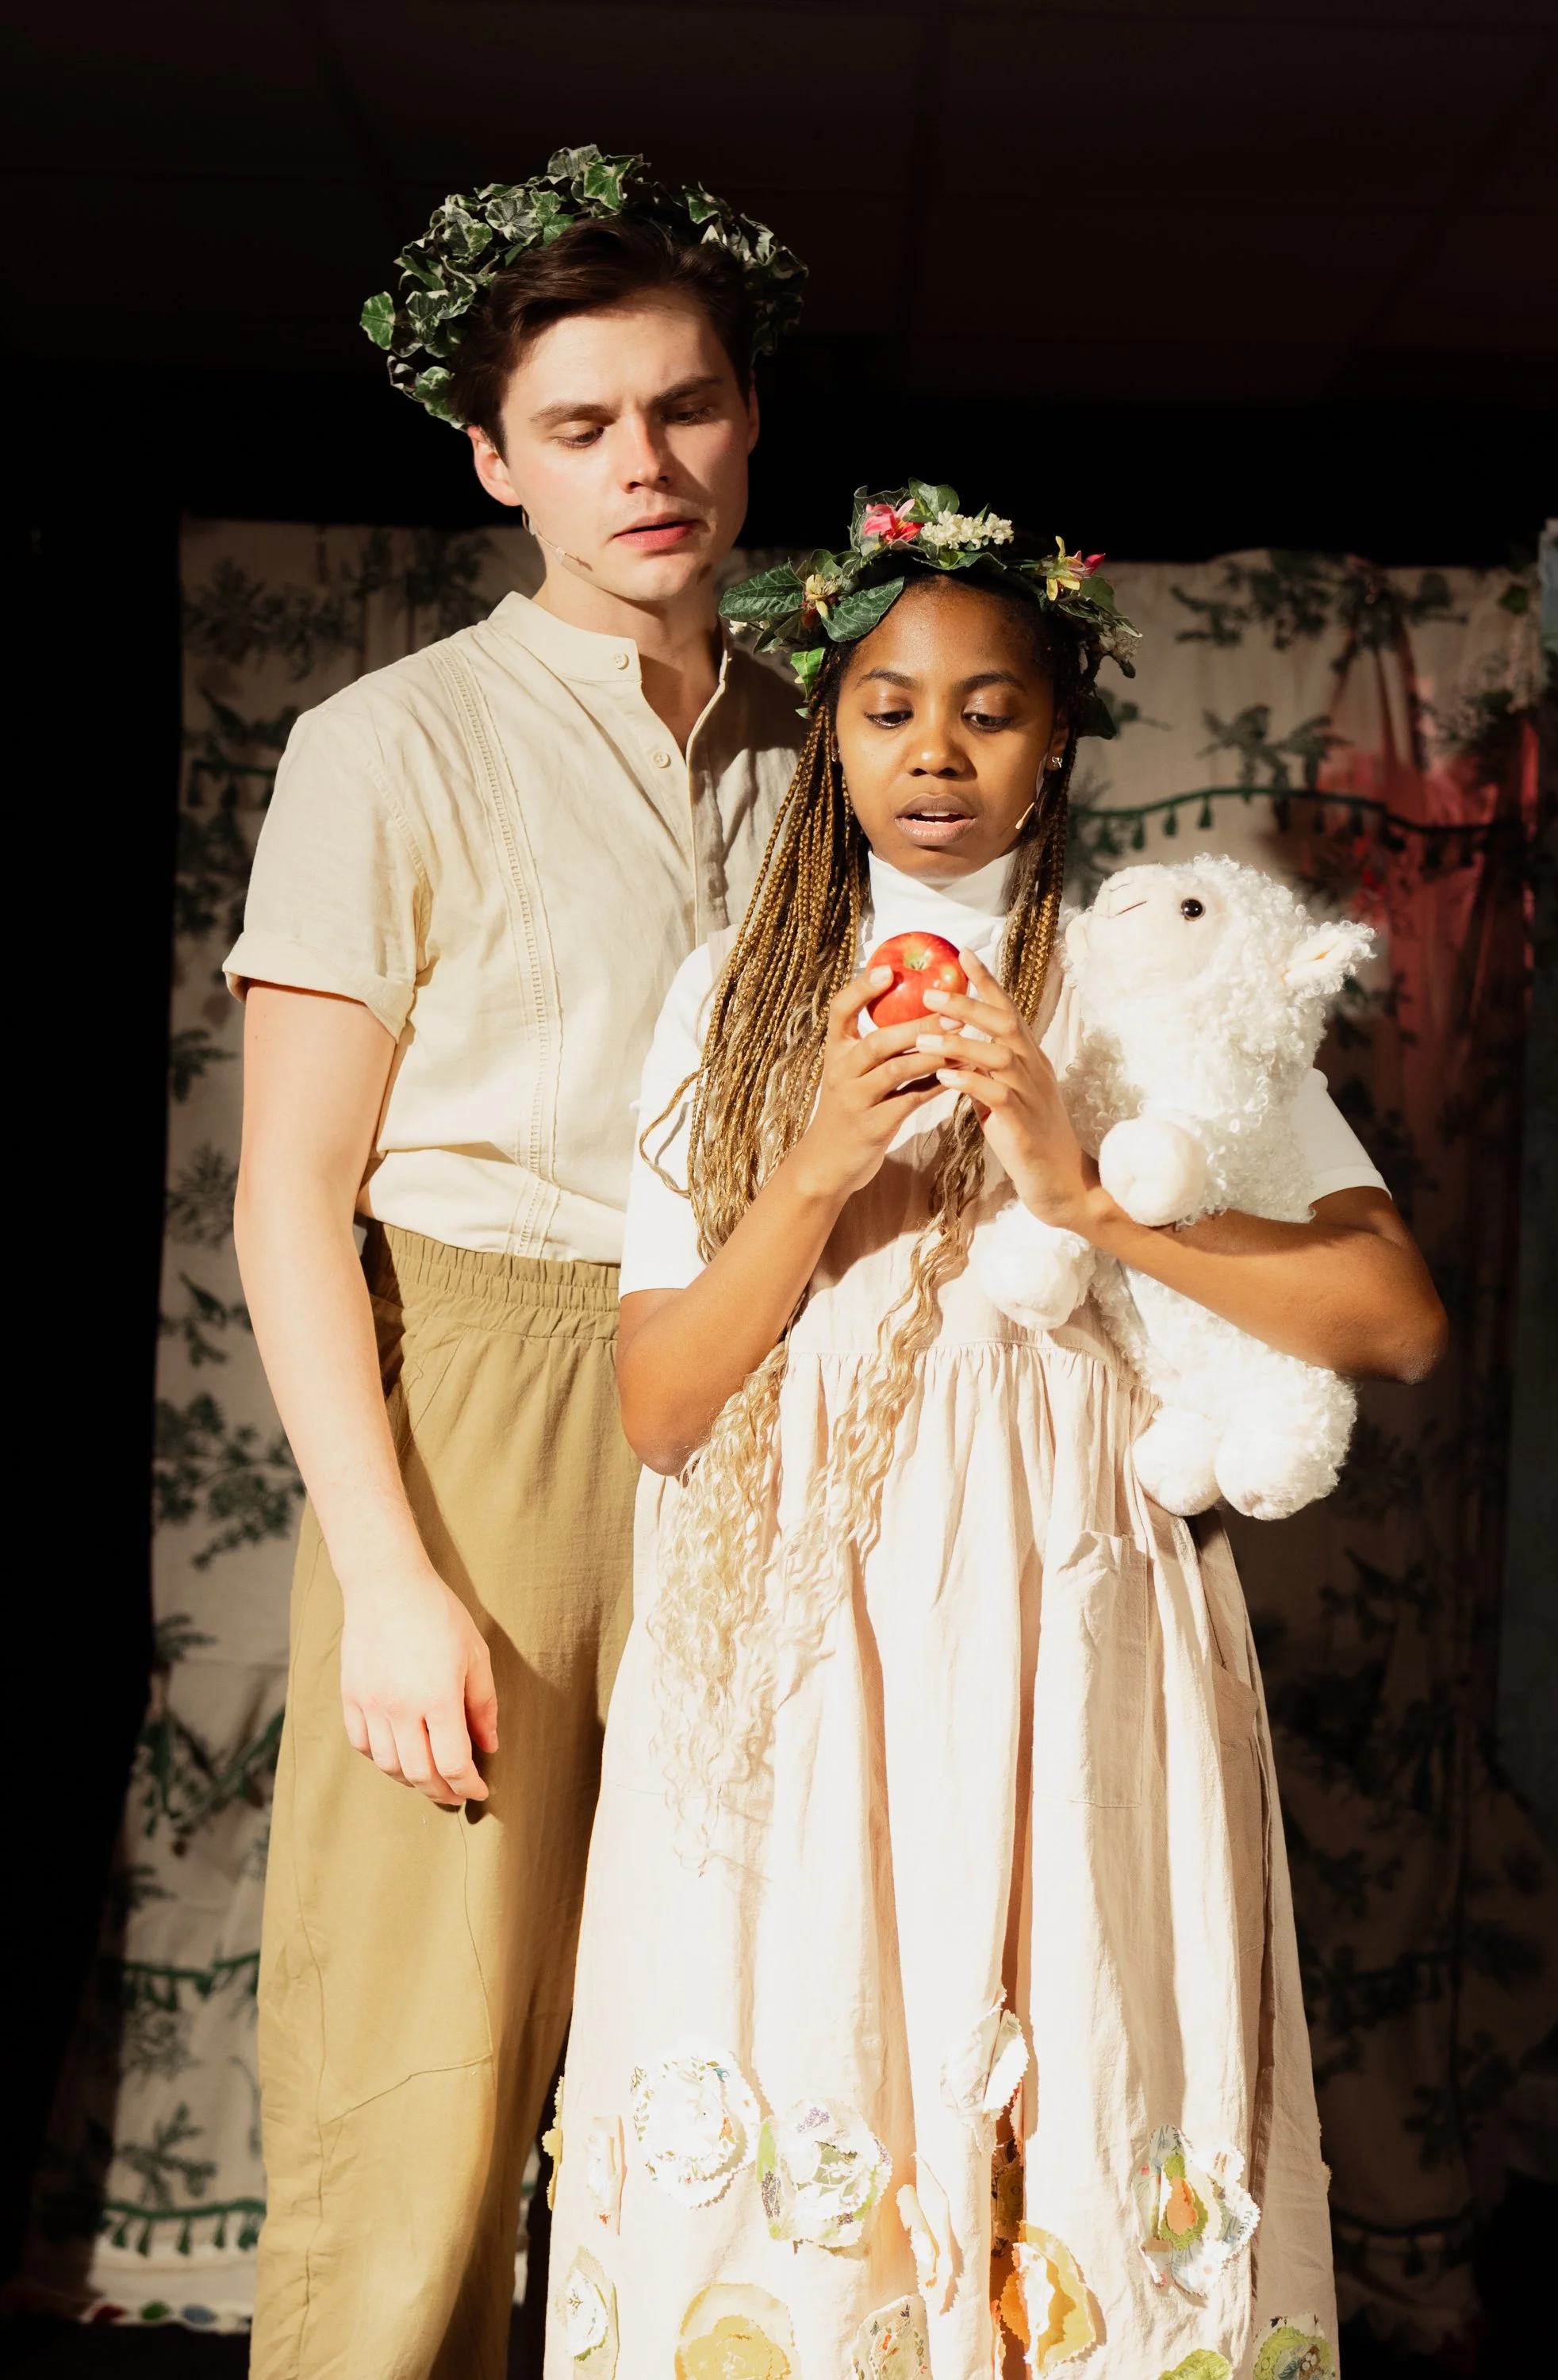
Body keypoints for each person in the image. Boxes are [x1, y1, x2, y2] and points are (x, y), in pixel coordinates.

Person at [543, 485, 1448, 2379]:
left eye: (989, 708)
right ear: (831, 735)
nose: (934, 751)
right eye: (885, 706)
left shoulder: (1147, 969)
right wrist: (806, 1174)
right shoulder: (733, 1001)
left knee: (1079, 2048)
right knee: (822, 2049)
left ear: (1054, 745)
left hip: (1069, 1614)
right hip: (801, 1629)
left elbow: (1395, 1320)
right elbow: (658, 1404)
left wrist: (1088, 1192)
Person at [226, 149, 806, 2380]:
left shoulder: (836, 742)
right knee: (427, 2087)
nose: (642, 466)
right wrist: (388, 1570)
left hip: (769, 1401)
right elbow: (291, 1197)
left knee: (750, 2069)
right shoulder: (388, 749)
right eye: (579, 426)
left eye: (682, 408)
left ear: (748, 418)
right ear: (493, 458)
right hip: (486, 1405)